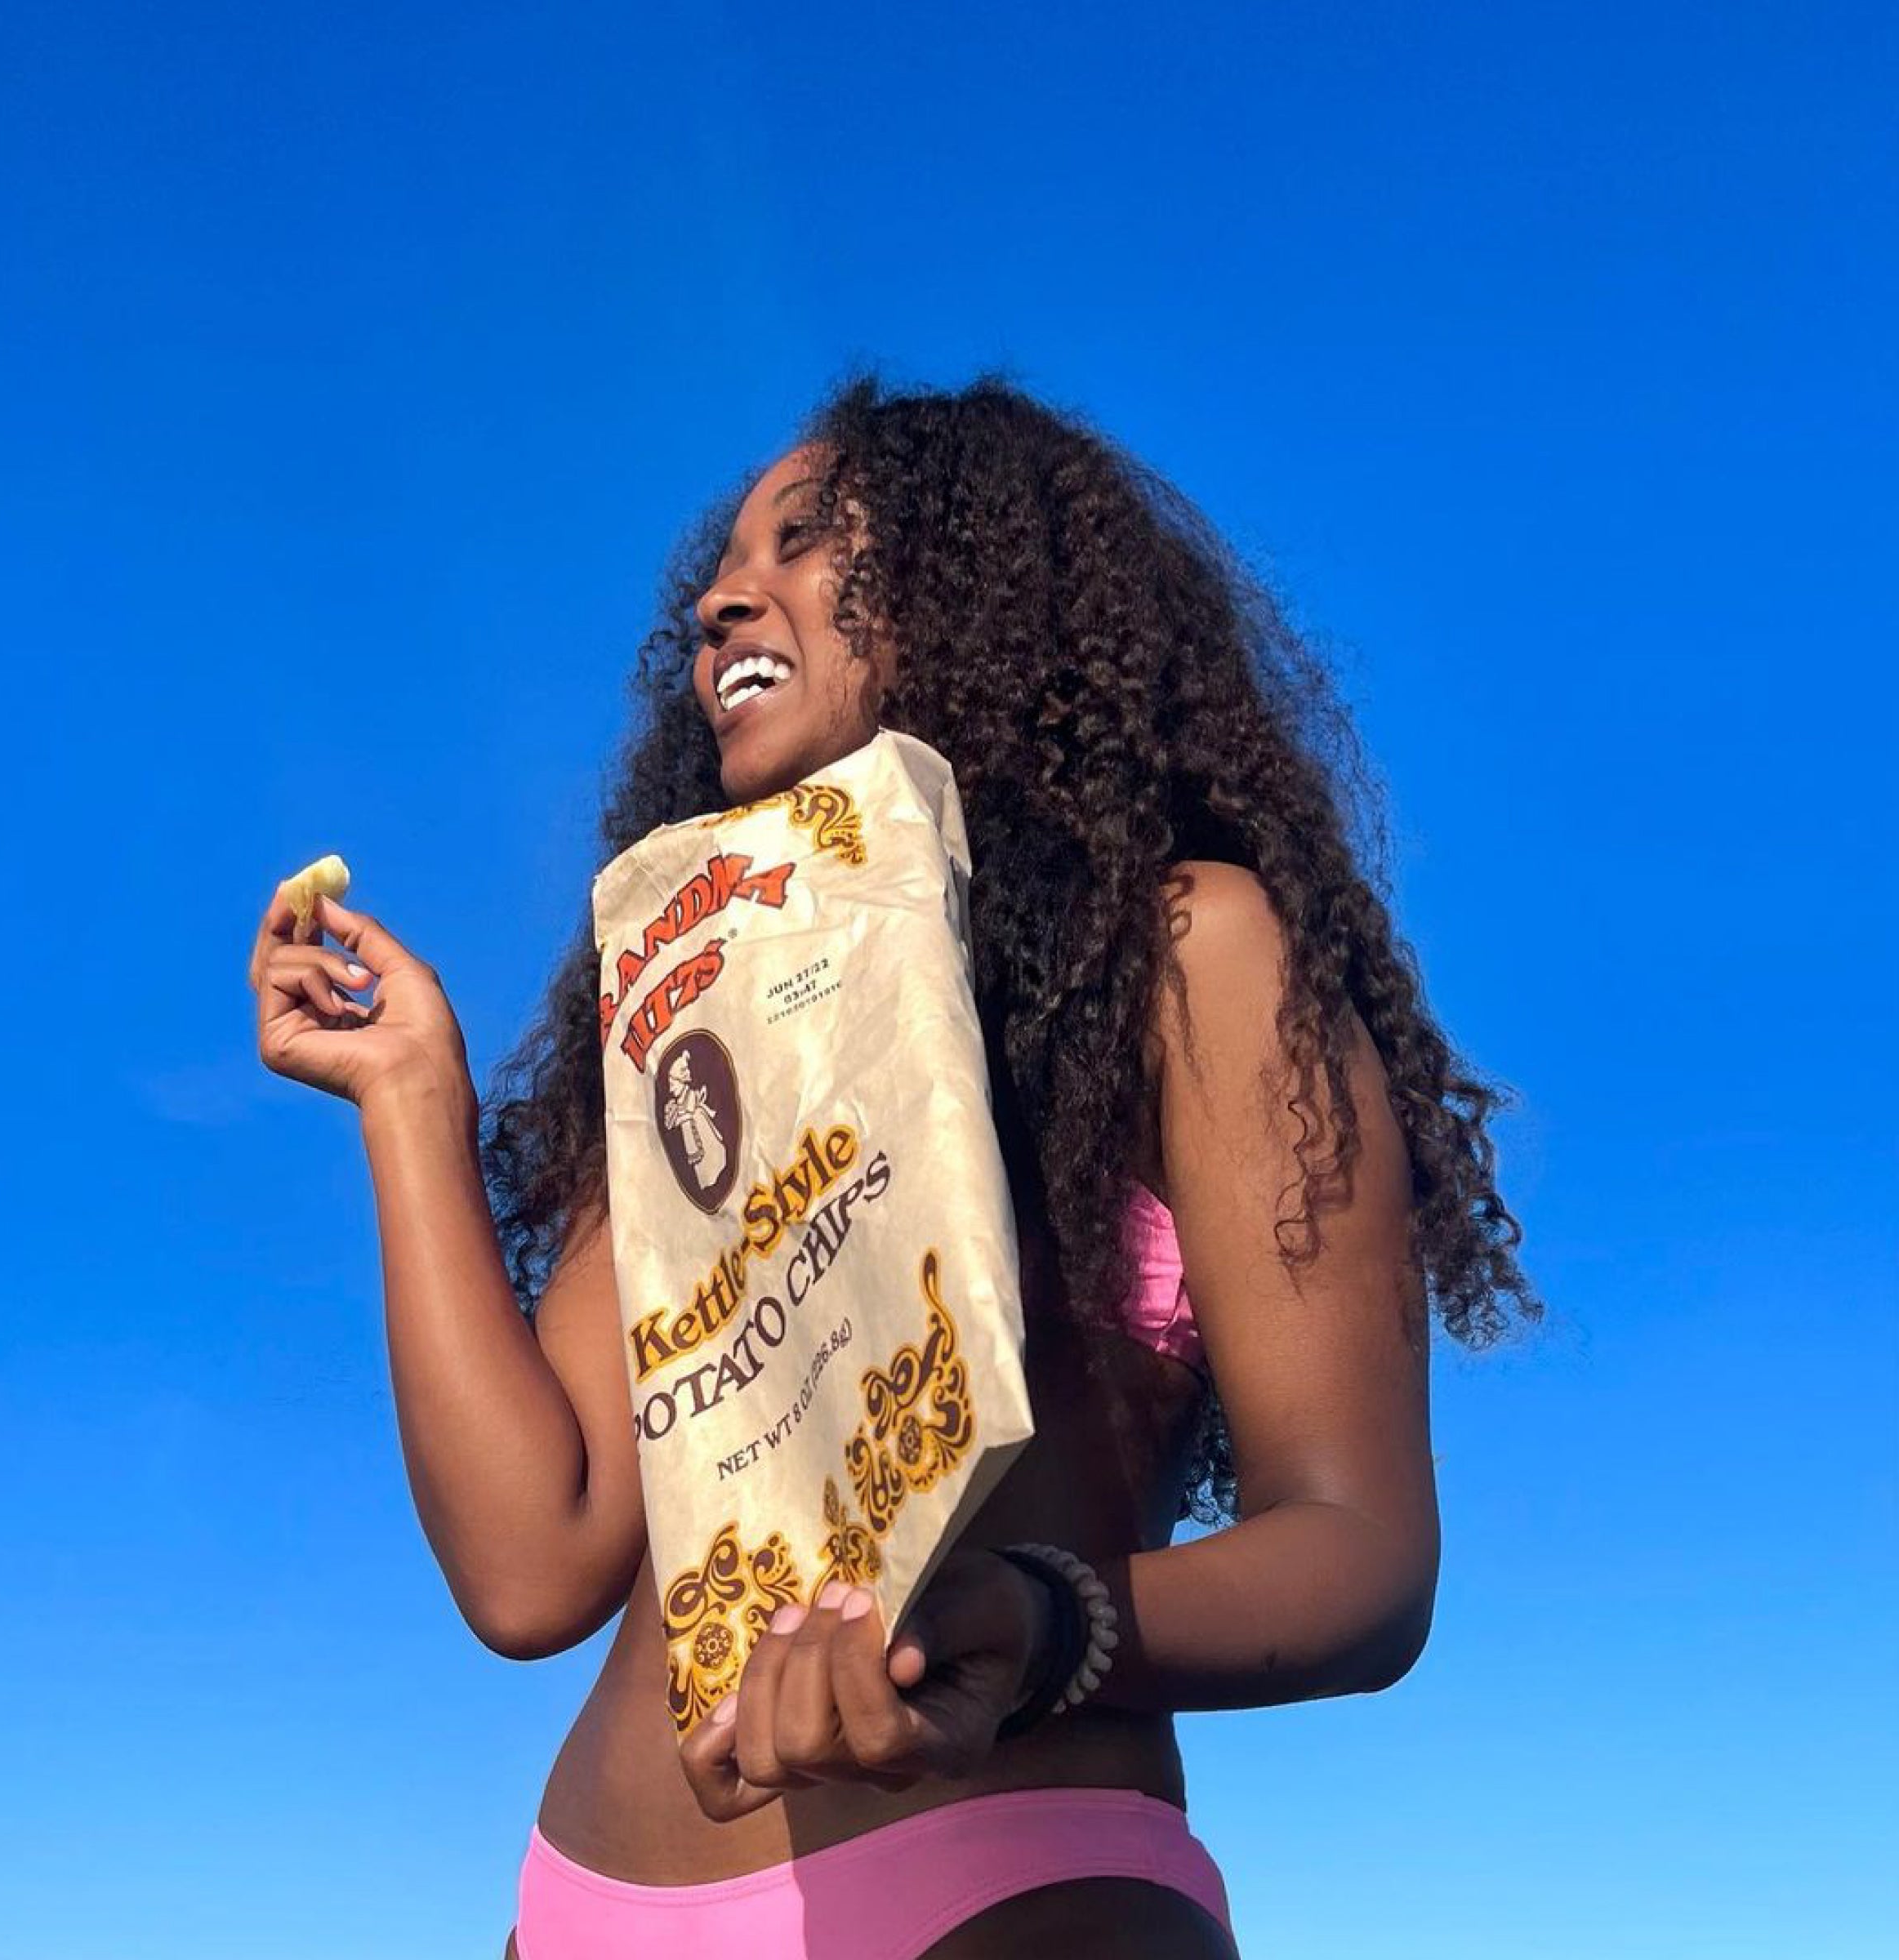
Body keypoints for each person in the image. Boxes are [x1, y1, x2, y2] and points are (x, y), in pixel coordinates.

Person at [250, 375, 1540, 1958]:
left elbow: (1361, 1552)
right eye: (725, 566)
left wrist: (1043, 1616)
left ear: (984, 590)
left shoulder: (1188, 957)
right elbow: (534, 1564)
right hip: (570, 1912)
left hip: (1002, 1889)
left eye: (811, 543)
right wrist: (407, 1094)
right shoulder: (685, 1008)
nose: (729, 594)